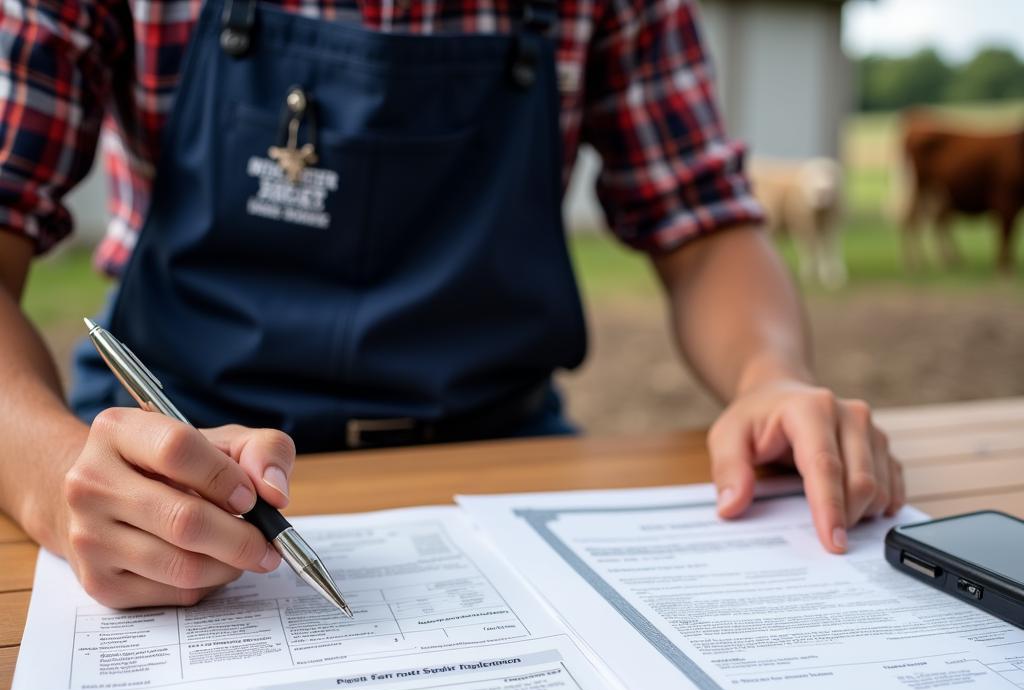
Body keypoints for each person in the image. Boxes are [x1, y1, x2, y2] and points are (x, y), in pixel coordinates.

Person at [0, 0, 903, 610]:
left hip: (499, 451)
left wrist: (770, 375)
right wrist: (50, 471)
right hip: (170, 467)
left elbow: (705, 231)